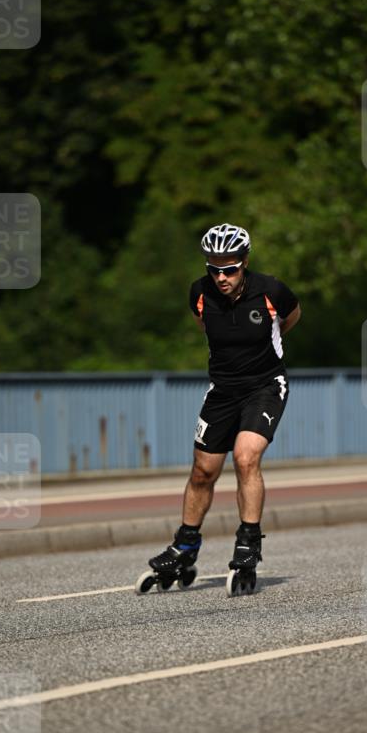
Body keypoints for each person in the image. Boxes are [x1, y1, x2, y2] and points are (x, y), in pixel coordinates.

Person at [138, 223, 301, 594]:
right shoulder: (199, 293)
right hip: (222, 390)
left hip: (265, 386)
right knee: (202, 470)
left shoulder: (271, 291)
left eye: (230, 269)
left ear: (245, 262)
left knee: (245, 457)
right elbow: (206, 327)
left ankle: (248, 543)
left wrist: (268, 347)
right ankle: (185, 546)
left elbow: (292, 317)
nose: (221, 277)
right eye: (214, 269)